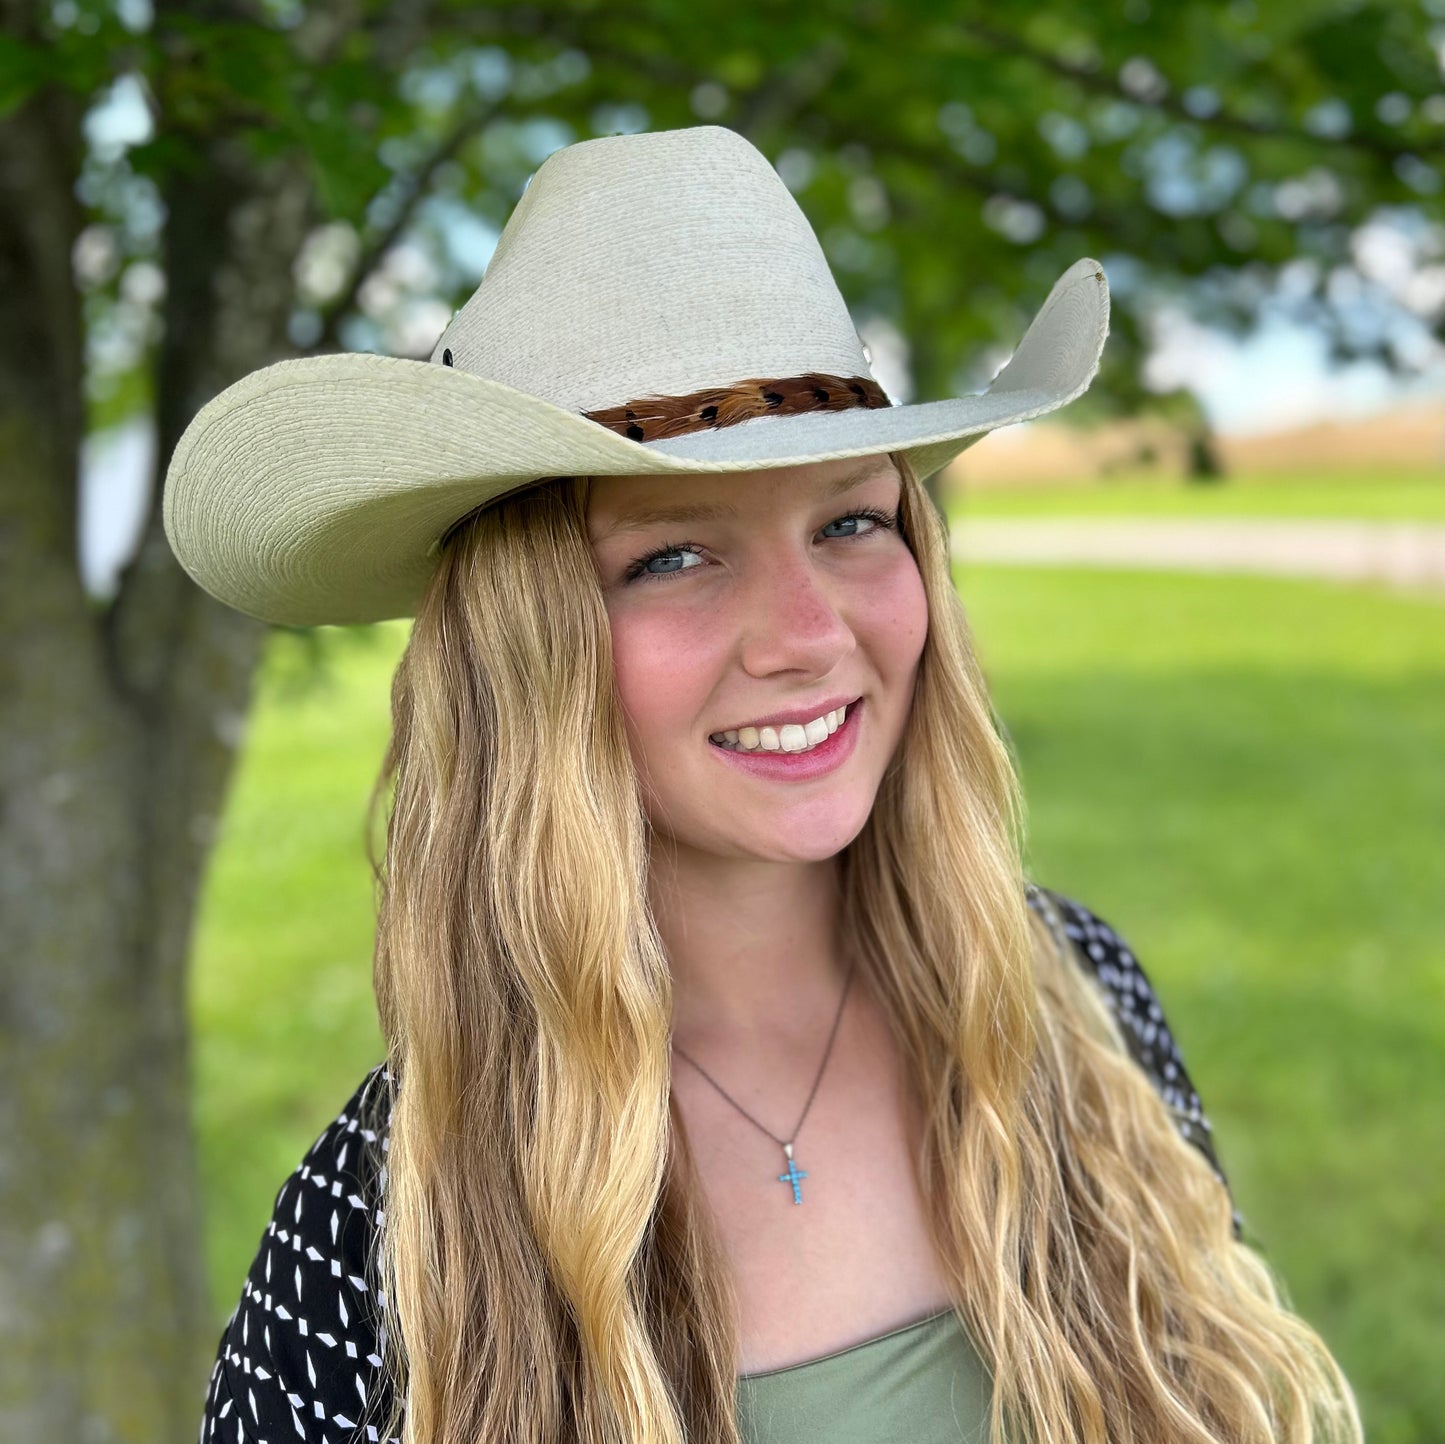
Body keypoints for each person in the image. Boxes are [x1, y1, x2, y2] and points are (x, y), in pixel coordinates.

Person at [168, 126, 1361, 1444]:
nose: (807, 633)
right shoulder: (387, 1229)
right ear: (524, 648)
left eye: (851, 522)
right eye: (674, 557)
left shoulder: (1077, 1006)